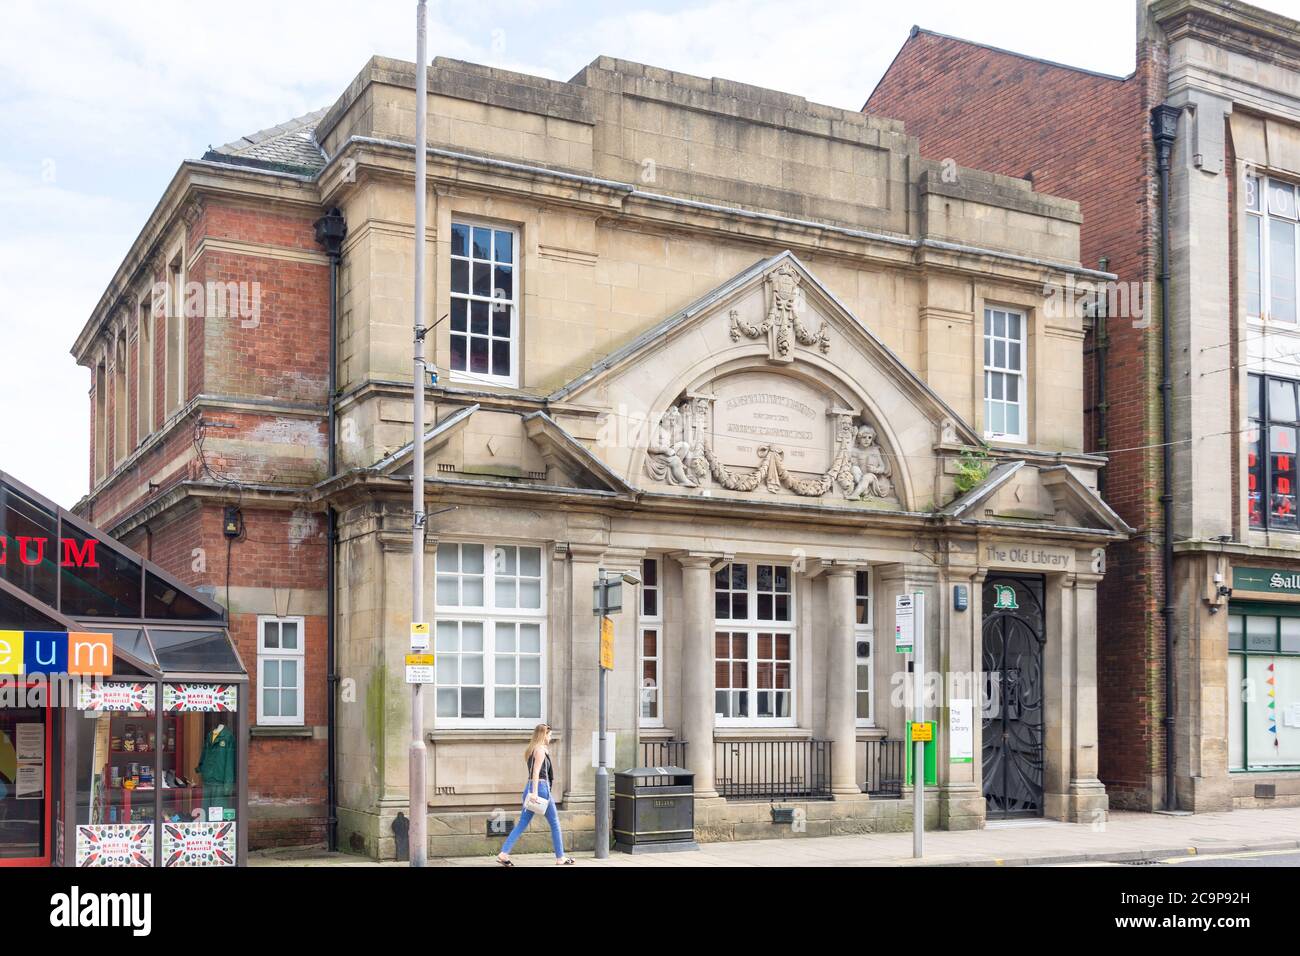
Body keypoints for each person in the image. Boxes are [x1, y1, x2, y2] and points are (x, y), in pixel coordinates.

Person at [496, 724, 574, 866]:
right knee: (555, 823)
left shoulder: (532, 749)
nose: (550, 738)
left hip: (530, 787)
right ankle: (560, 857)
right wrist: (535, 792)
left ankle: (503, 853)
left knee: (522, 823)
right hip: (540, 789)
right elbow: (536, 772)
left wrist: (532, 791)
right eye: (549, 735)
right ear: (543, 735)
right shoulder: (540, 750)